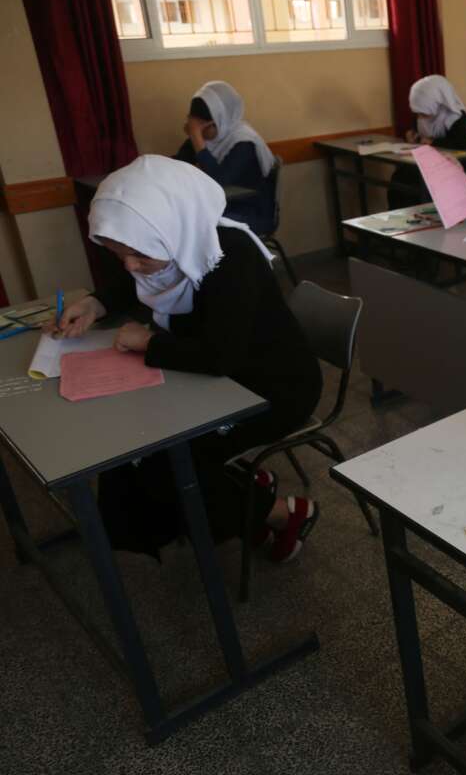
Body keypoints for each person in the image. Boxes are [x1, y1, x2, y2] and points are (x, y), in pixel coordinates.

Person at [54, 155, 323, 561]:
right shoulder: (166, 243)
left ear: (172, 230)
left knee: (167, 462)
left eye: (139, 255)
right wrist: (96, 303)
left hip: (274, 386)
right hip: (216, 377)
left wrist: (149, 342)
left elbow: (220, 356)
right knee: (137, 446)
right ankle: (242, 492)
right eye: (118, 253)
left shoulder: (229, 257)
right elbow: (134, 282)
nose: (131, 266)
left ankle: (283, 515)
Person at [174, 81, 276, 236]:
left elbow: (218, 180)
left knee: (199, 228)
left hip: (248, 209)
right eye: (192, 124)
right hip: (218, 206)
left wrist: (196, 137)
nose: (196, 132)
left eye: (200, 127)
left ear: (219, 121)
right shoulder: (207, 138)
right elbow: (178, 164)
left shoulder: (244, 142)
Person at [389, 75, 466, 208]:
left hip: (450, 164)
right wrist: (412, 137)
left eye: (423, 113)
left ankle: (417, 217)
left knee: (412, 180)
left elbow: (461, 145)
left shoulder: (455, 116)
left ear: (437, 103)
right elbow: (418, 135)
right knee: (399, 177)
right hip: (424, 161)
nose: (420, 117)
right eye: (418, 113)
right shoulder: (422, 114)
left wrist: (432, 142)